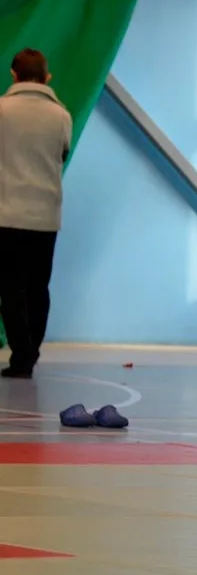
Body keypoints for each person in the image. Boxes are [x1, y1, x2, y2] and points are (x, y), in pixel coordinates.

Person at [0, 49, 72, 379]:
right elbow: (62, 153)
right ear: (47, 77)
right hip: (45, 216)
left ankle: (22, 355)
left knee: (10, 288)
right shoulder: (61, 116)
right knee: (38, 287)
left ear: (13, 74)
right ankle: (32, 351)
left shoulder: (2, 110)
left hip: (6, 213)